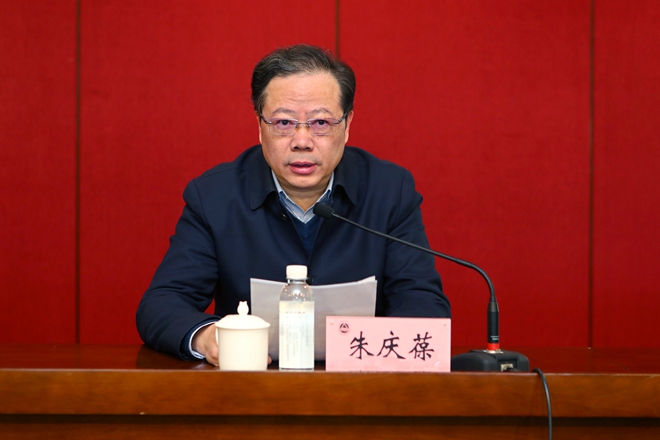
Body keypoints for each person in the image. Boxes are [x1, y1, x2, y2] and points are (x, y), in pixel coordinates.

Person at [136, 44, 450, 365]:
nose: (302, 141)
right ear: (260, 126)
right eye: (284, 123)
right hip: (253, 384)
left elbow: (423, 302)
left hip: (360, 382)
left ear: (347, 125)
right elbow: (162, 303)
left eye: (321, 123)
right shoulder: (215, 196)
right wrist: (207, 337)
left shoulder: (389, 191)